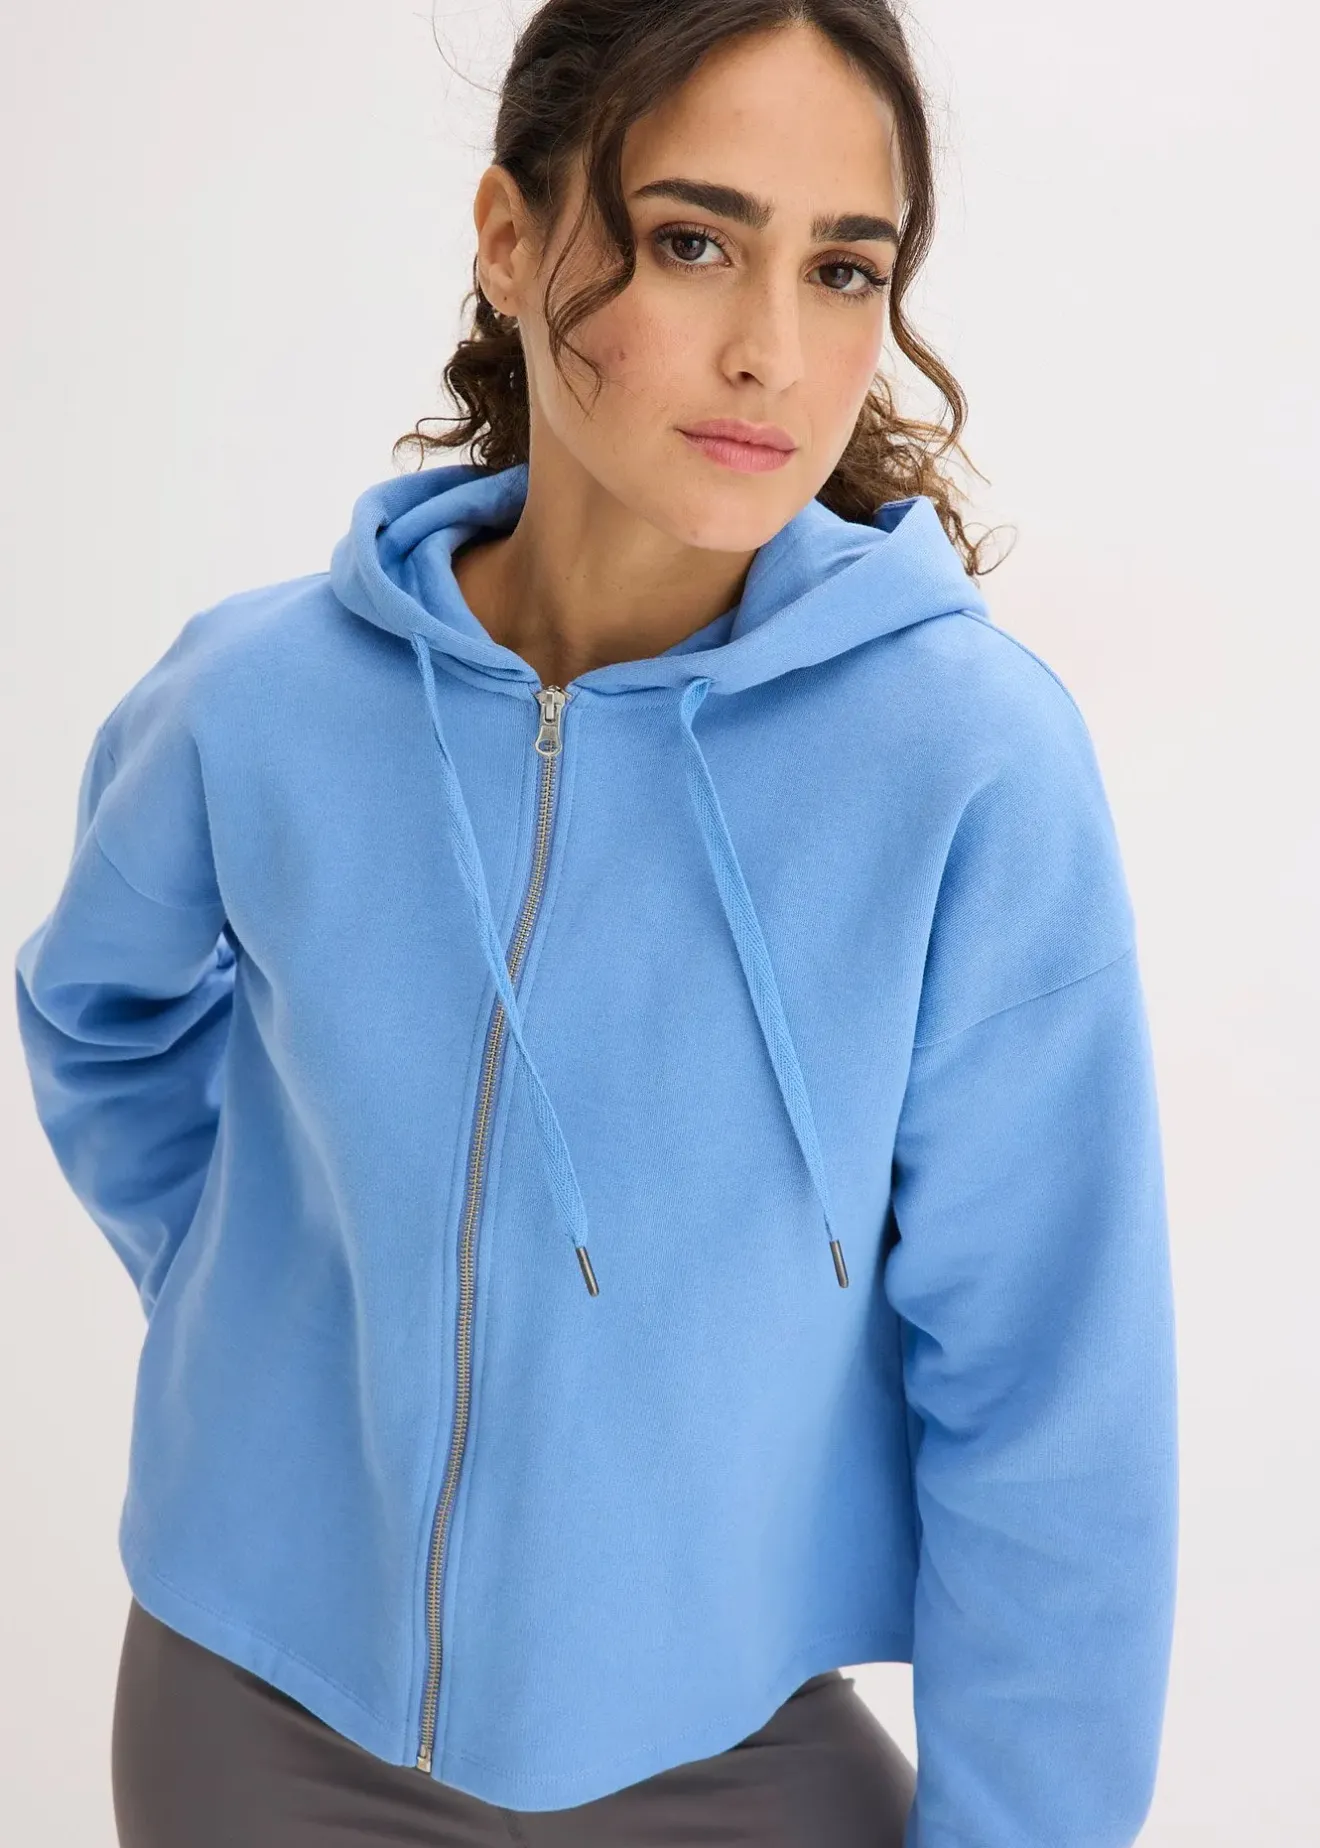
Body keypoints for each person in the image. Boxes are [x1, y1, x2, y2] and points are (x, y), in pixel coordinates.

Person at [13, 3, 1179, 1845]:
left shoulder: (964, 763)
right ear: (510, 238)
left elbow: (1052, 1403)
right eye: (694, 241)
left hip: (732, 1752)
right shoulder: (255, 701)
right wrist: (287, 1325)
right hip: (256, 1710)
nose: (771, 350)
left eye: (845, 268)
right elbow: (101, 1014)